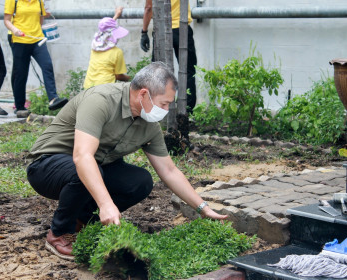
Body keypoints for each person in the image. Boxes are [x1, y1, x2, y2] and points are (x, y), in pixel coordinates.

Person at [26, 62, 228, 260]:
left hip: (96, 166)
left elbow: (169, 170)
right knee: (85, 169)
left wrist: (203, 208)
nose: (165, 110)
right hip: (47, 166)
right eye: (164, 104)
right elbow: (82, 156)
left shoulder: (149, 124)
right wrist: (105, 204)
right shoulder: (101, 100)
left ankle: (81, 220)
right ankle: (59, 233)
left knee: (140, 181)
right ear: (143, 94)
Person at [3, 0, 68, 117]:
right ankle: (20, 107)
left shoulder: (38, 1)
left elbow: (41, 18)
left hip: (37, 39)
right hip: (20, 40)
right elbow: (7, 20)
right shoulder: (13, 1)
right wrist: (14, 30)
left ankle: (53, 98)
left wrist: (37, 30)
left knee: (47, 65)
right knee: (21, 74)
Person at [140, 0, 197, 114]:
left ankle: (156, 108)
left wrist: (144, 32)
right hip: (182, 28)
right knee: (188, 72)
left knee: (157, 73)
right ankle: (186, 112)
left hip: (162, 30)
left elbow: (149, 8)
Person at [83, 7, 130, 89]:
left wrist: (116, 15)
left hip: (88, 86)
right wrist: (130, 78)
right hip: (105, 88)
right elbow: (118, 76)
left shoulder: (95, 44)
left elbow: (104, 29)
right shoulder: (117, 52)